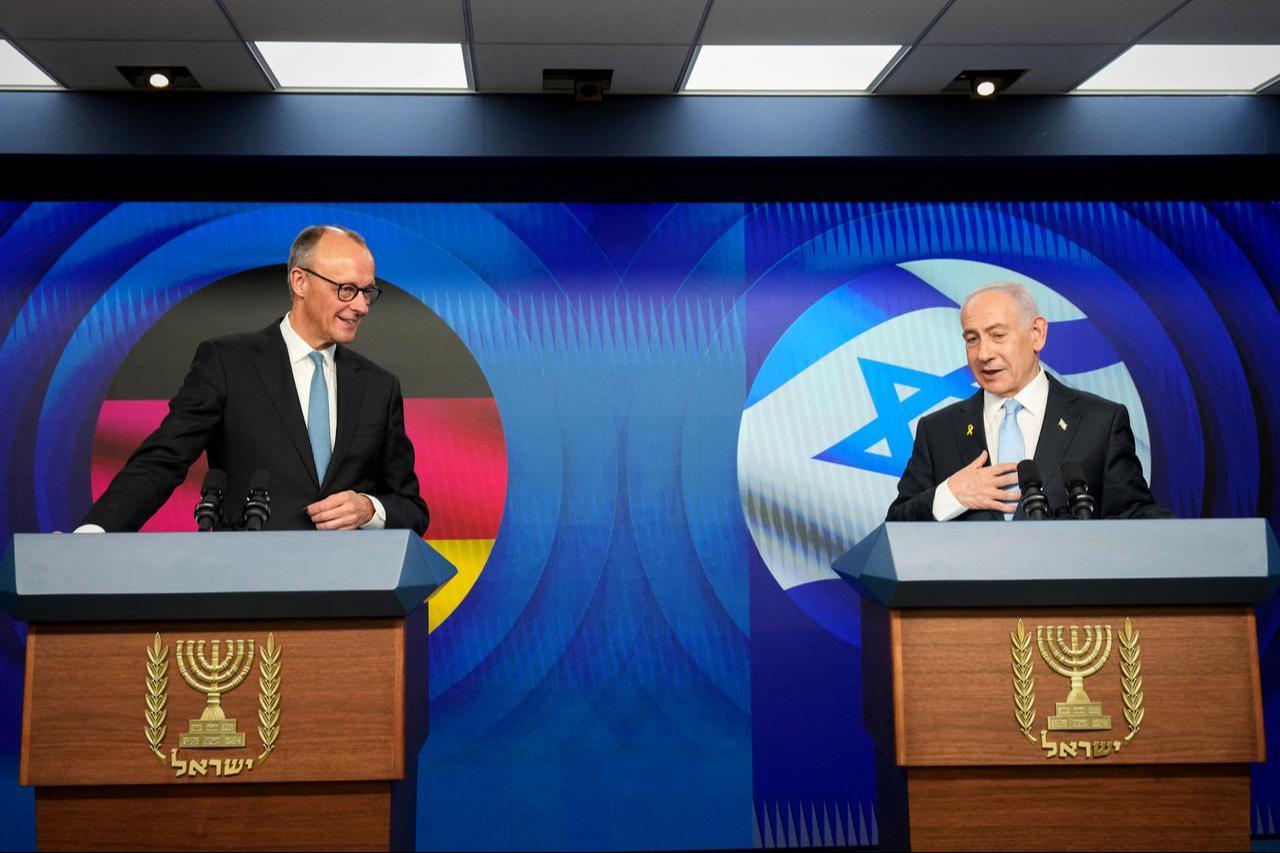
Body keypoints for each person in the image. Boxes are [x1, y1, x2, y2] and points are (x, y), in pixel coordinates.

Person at [78, 225, 429, 534]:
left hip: (356, 595)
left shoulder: (379, 387)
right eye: (347, 289)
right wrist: (96, 533)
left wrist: (369, 509)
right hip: (249, 589)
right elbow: (163, 460)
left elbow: (412, 508)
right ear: (300, 281)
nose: (361, 306)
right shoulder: (228, 363)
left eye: (368, 292)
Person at [886, 282, 1171, 521]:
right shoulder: (938, 430)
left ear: (1036, 333)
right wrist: (950, 495)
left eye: (997, 335)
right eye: (972, 339)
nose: (983, 353)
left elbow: (1134, 517)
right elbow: (896, 527)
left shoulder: (1100, 422)